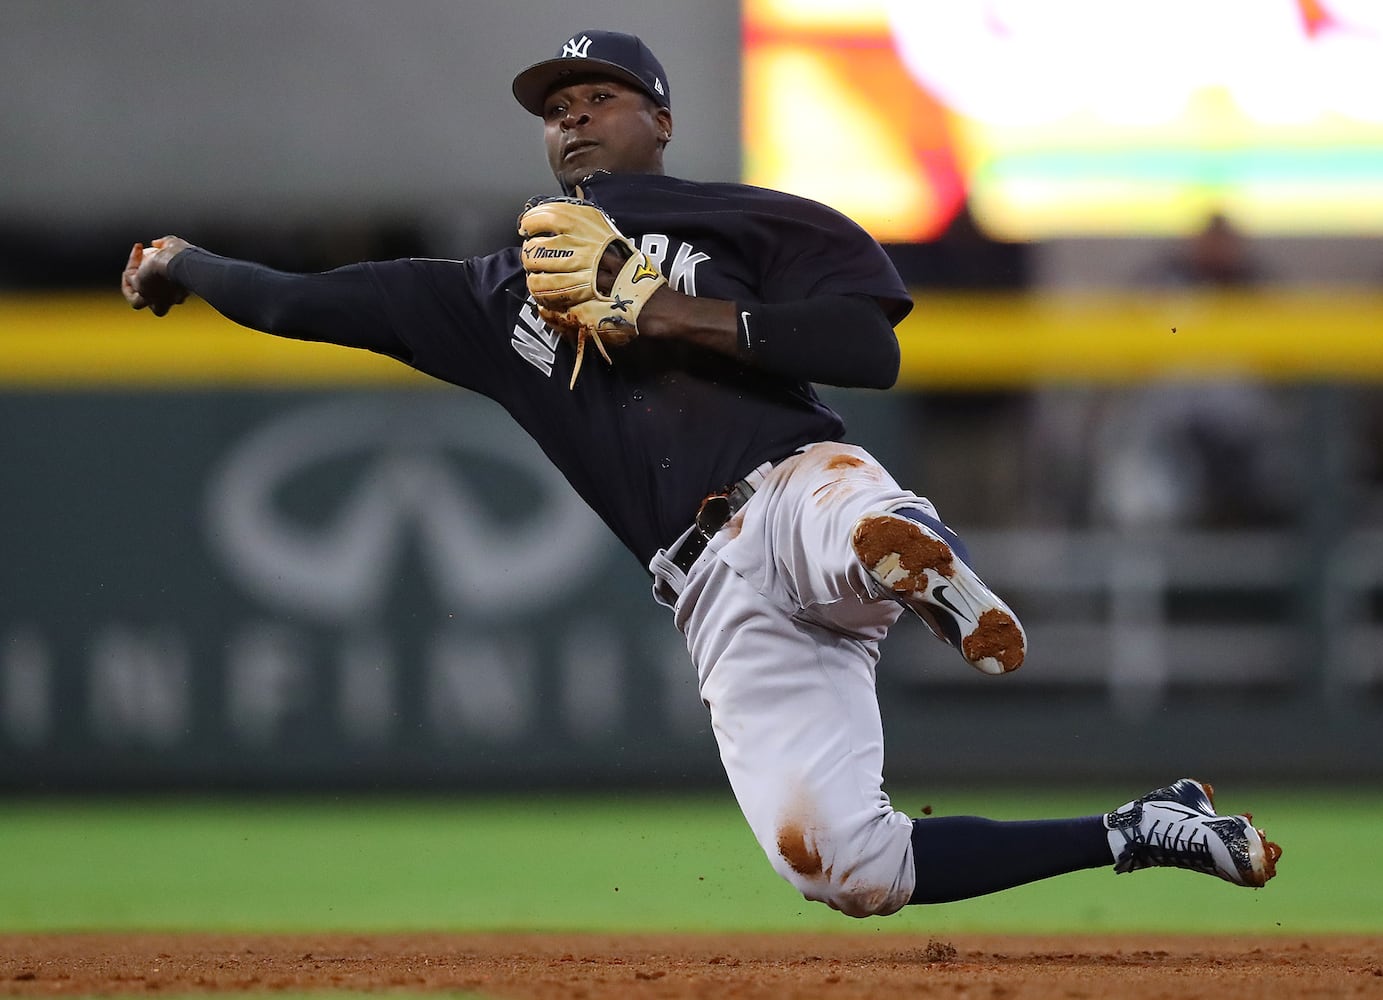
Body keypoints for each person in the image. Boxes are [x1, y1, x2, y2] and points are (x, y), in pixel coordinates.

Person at [121, 29, 1279, 917]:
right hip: (712, 598)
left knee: (850, 519)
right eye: (557, 112)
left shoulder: (740, 218)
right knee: (843, 866)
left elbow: (867, 349)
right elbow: (311, 301)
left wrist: (672, 309)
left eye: (599, 100)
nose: (574, 122)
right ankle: (1141, 827)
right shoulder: (491, 294)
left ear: (660, 121)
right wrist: (187, 261)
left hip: (782, 483)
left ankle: (923, 563)